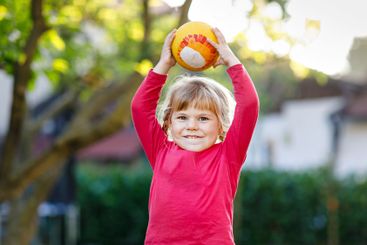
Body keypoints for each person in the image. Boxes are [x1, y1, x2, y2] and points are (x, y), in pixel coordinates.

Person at [131, 27, 259, 245]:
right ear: (169, 121)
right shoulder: (161, 151)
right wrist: (163, 65)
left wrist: (232, 61)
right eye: (182, 118)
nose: (192, 126)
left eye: (203, 119)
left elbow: (249, 105)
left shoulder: (228, 156)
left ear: (221, 126)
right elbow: (139, 107)